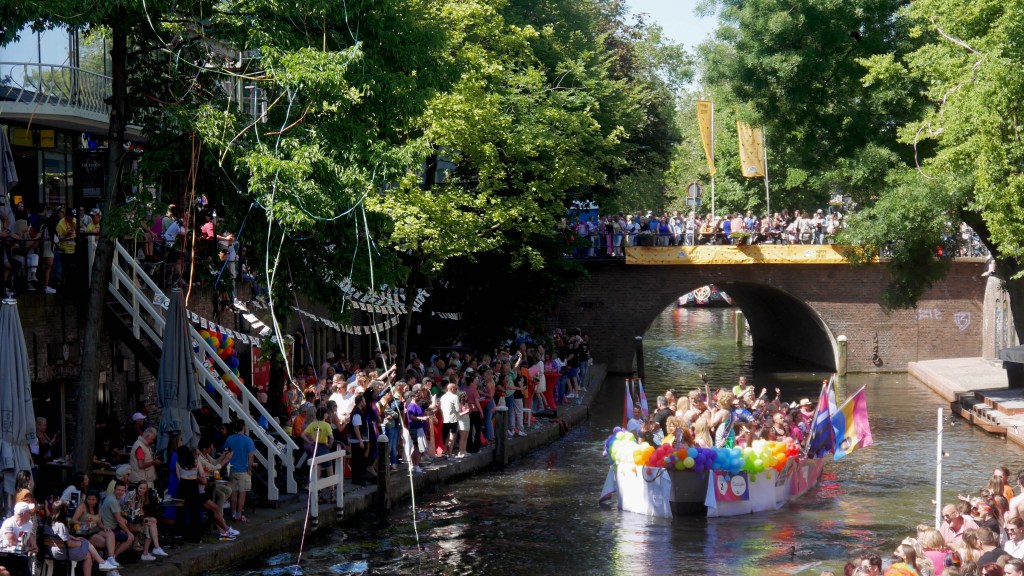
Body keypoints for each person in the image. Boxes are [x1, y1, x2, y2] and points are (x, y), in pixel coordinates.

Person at [44, 500, 119, 575]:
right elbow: (69, 544)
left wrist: (75, 538)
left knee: (87, 553)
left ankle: (102, 563)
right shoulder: (61, 525)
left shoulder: (48, 522)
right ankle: (102, 563)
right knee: (86, 543)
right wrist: (79, 543)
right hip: (61, 552)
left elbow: (61, 535)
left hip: (52, 551)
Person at [222, 420, 256, 523]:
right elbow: (251, 456)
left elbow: (225, 452)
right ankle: (239, 515)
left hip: (232, 469)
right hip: (243, 470)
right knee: (242, 494)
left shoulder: (229, 438)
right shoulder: (248, 440)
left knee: (233, 493)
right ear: (243, 427)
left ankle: (233, 513)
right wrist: (249, 469)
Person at [123, 481, 168, 560]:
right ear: (137, 487)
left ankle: (153, 549)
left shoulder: (142, 496)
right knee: (150, 525)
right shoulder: (131, 495)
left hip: (136, 520)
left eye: (144, 489)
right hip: (128, 522)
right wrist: (144, 519)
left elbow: (141, 511)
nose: (142, 490)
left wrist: (144, 518)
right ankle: (150, 551)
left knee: (152, 522)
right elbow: (131, 513)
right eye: (141, 488)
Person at [73, 490, 117, 564]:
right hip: (86, 533)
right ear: (86, 499)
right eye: (89, 499)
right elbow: (73, 520)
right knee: (107, 543)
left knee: (110, 533)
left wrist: (104, 527)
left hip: (95, 530)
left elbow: (99, 524)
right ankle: (107, 560)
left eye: (93, 499)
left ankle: (111, 558)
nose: (91, 501)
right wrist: (83, 523)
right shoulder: (83, 506)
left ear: (97, 500)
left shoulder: (97, 508)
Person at [98, 482, 134, 565]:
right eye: (118, 490)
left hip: (112, 527)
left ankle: (112, 558)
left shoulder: (111, 497)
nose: (120, 492)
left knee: (124, 531)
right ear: (114, 490)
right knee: (130, 538)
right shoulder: (113, 500)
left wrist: (122, 518)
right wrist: (128, 532)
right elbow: (119, 520)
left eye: (122, 490)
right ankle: (113, 557)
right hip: (107, 529)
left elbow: (117, 516)